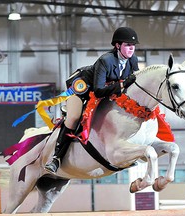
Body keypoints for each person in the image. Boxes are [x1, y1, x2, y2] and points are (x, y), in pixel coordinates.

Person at [45, 27, 140, 173]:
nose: (131, 48)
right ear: (117, 45)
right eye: (127, 45)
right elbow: (98, 90)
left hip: (107, 92)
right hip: (82, 89)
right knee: (74, 118)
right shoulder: (105, 60)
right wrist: (121, 85)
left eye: (133, 45)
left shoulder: (133, 60)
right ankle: (56, 158)